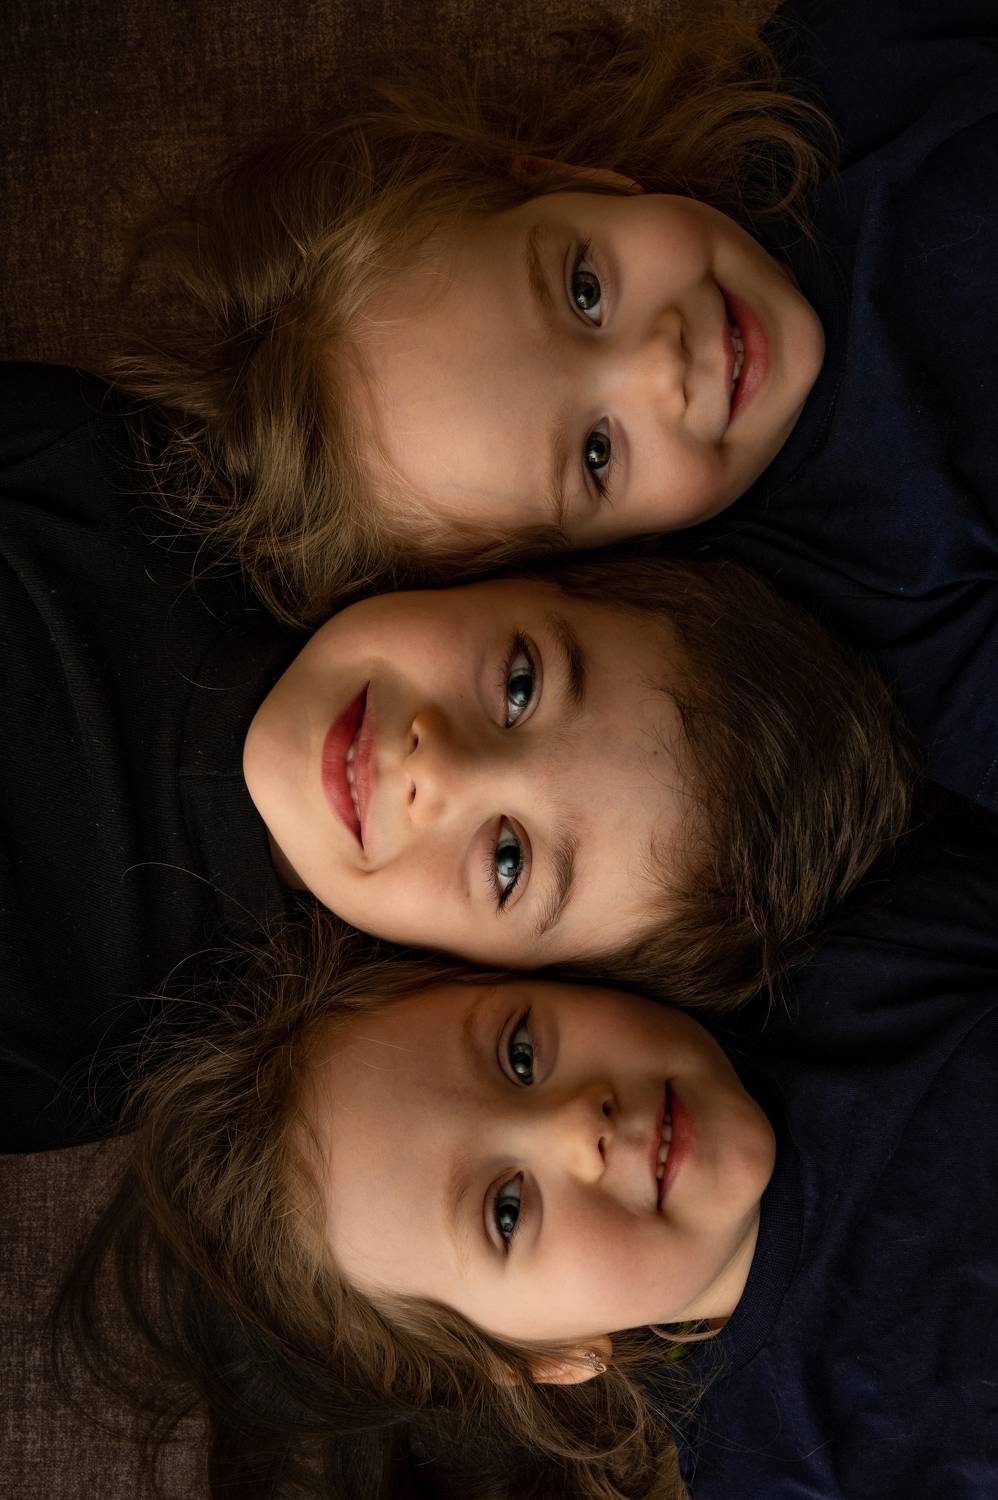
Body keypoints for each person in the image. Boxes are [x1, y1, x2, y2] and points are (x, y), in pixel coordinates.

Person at [0, 361, 913, 1151]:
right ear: (512, 573)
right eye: (520, 684)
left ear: (481, 974)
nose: (436, 770)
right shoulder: (127, 469)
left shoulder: (136, 1053)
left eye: (509, 861)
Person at [114, 0, 998, 815]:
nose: (662, 366)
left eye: (585, 291)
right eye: (597, 455)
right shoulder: (869, 615)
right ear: (616, 555)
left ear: (574, 180)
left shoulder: (842, 81)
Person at [60, 795, 998, 1500]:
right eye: (506, 1211)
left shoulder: (840, 934)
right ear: (546, 1358)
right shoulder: (799, 1467)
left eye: (520, 1054)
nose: (577, 1126)